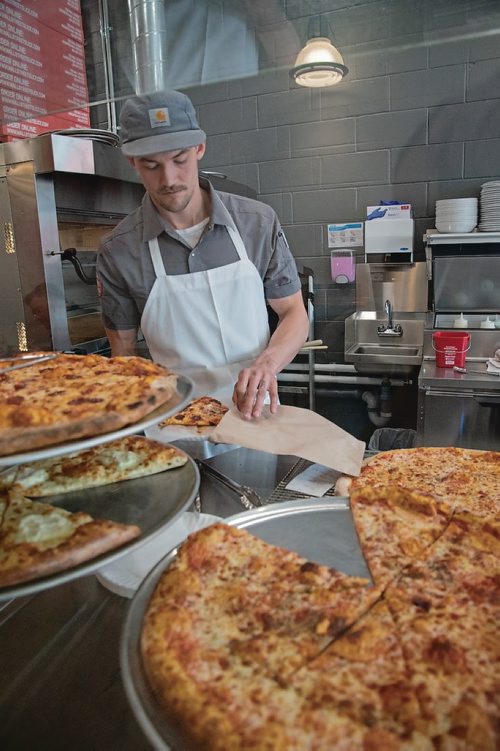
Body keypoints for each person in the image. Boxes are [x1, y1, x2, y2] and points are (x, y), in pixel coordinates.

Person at [96, 89, 309, 419]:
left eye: (179, 160)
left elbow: (294, 312)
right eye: (152, 166)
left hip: (255, 412)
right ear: (133, 163)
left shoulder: (256, 222)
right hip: (172, 421)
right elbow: (122, 353)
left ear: (199, 148)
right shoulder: (119, 250)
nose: (169, 179)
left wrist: (268, 364)